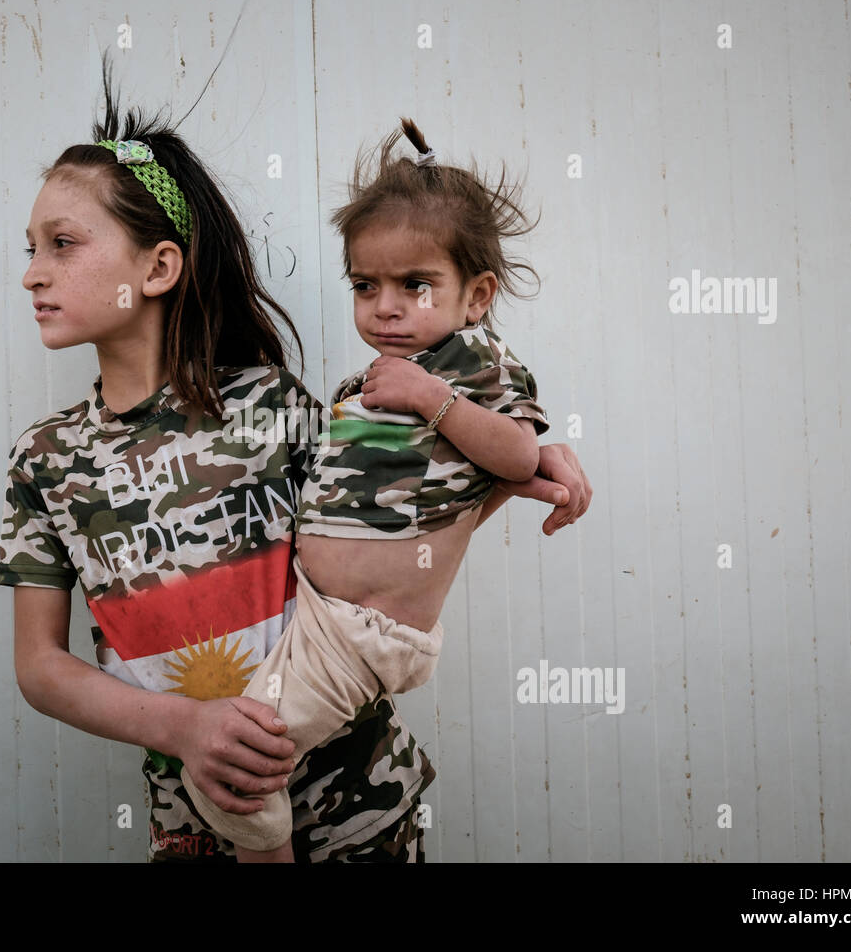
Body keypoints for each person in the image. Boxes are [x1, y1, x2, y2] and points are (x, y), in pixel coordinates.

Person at [0, 67, 592, 862]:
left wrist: (517, 468)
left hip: (360, 811)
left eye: (62, 245)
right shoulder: (45, 461)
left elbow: (386, 523)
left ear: (158, 268)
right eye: (31, 250)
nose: (33, 271)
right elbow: (40, 667)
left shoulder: (267, 404)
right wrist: (186, 728)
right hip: (200, 828)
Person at [178, 117, 563, 862]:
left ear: (476, 295)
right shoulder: (374, 379)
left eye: (416, 285)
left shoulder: (474, 366)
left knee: (238, 768)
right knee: (243, 736)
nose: (385, 306)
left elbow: (518, 453)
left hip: (364, 632)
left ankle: (270, 846)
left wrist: (431, 398)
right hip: (320, 612)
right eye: (365, 285)